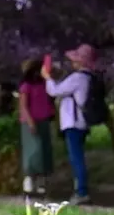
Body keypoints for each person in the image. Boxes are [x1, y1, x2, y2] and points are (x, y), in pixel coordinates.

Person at [41, 44, 96, 205]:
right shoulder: (88, 78)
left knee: (76, 158)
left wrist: (47, 77)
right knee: (77, 157)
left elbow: (55, 91)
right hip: (82, 123)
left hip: (74, 123)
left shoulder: (78, 78)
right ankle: (80, 190)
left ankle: (81, 192)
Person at [19, 59, 55, 194]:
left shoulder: (44, 84)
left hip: (44, 120)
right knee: (32, 152)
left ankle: (41, 181)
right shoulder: (26, 86)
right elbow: (23, 106)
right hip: (30, 121)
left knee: (44, 151)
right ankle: (29, 179)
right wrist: (30, 122)